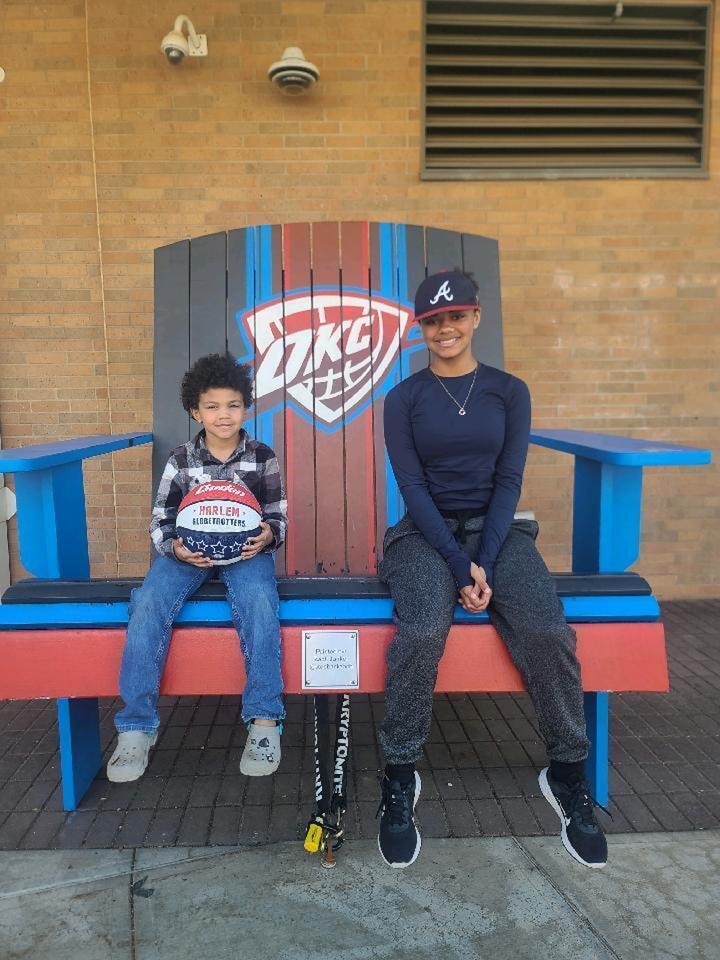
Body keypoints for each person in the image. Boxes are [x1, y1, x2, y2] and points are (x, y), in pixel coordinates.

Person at [376, 270, 608, 870]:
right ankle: (400, 775)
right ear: (420, 328)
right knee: (422, 631)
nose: (445, 329)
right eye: (433, 321)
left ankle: (567, 772)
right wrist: (462, 567)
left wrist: (486, 555)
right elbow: (413, 489)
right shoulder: (403, 399)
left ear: (476, 318)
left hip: (498, 531)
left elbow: (509, 481)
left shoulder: (509, 391)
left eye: (456, 317)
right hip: (423, 536)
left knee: (547, 631)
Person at [106, 353, 287, 782]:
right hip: (188, 555)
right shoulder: (181, 459)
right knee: (147, 603)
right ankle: (136, 726)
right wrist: (174, 548)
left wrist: (267, 536)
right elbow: (160, 519)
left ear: (246, 408)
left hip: (245, 554)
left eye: (233, 405)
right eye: (212, 406)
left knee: (262, 604)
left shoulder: (262, 456)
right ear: (195, 411)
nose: (223, 415)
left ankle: (264, 719)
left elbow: (277, 515)